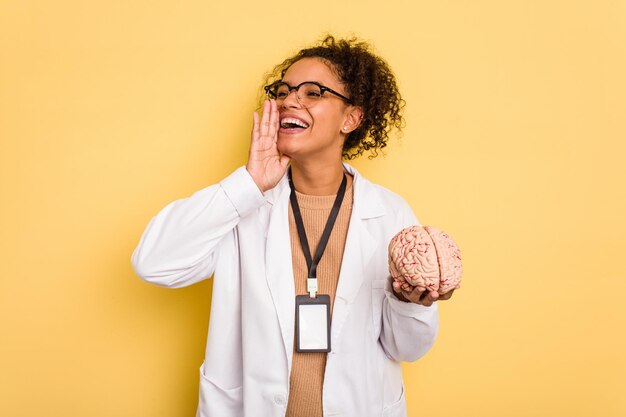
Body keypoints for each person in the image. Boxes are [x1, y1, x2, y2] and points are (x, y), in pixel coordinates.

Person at [131, 35, 456, 417]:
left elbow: (408, 349)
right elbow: (153, 263)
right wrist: (249, 184)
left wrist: (410, 305)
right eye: (283, 90)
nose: (288, 100)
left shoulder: (389, 214)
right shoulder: (246, 205)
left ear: (351, 118)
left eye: (313, 92)